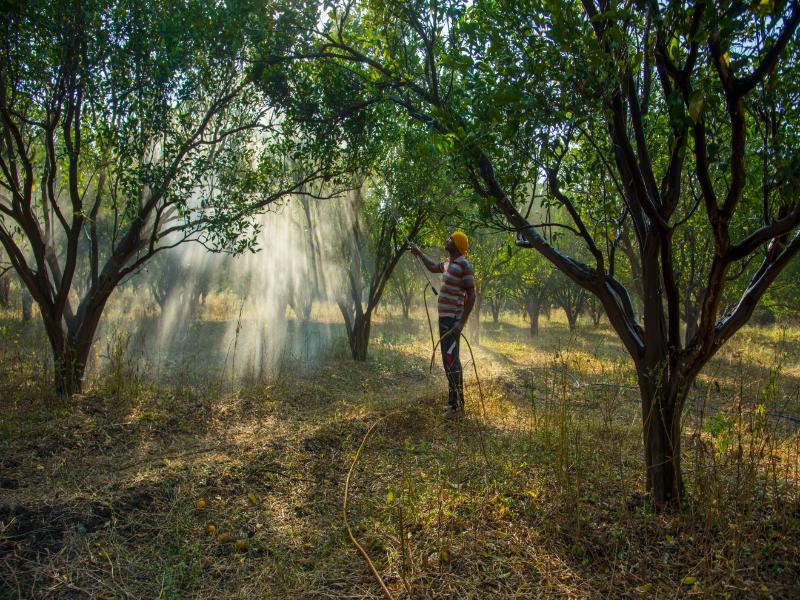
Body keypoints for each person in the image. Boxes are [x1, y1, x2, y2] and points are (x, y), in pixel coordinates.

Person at [409, 232, 476, 418]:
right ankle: (453, 404)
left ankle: (457, 408)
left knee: (451, 360)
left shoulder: (464, 264)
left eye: (450, 238)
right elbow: (431, 267)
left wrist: (461, 322)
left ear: (457, 244)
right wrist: (419, 253)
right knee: (449, 361)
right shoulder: (448, 263)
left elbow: (472, 295)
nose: (447, 240)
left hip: (452, 322)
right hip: (445, 321)